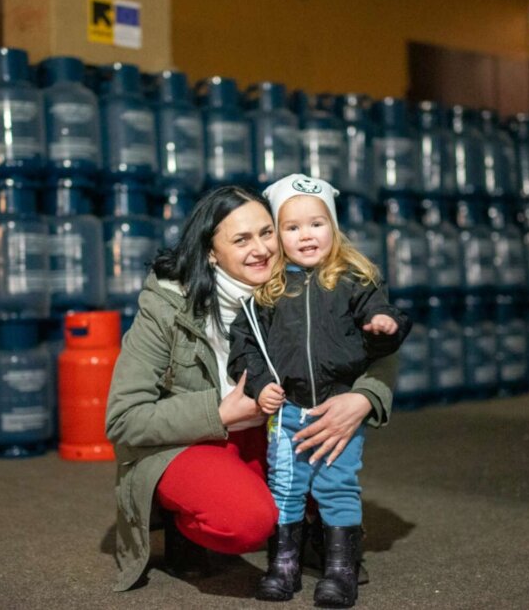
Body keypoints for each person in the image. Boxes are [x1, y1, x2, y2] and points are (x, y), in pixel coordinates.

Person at [105, 185, 398, 592]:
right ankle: (180, 524)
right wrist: (220, 412)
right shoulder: (167, 305)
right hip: (193, 440)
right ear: (211, 251)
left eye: (267, 233)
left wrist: (363, 397)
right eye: (241, 239)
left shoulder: (304, 286)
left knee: (327, 467)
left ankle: (313, 537)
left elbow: (380, 346)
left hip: (271, 428)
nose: (261, 249)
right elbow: (123, 418)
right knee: (245, 519)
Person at [228, 174, 410, 607]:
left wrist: (384, 328)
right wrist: (260, 385)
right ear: (278, 236)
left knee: (336, 484)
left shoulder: (354, 280)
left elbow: (383, 318)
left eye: (316, 224)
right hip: (288, 410)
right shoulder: (265, 295)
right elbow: (246, 348)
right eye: (292, 228)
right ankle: (284, 564)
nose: (306, 235)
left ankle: (340, 569)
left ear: (334, 227)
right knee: (285, 486)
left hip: (335, 407)